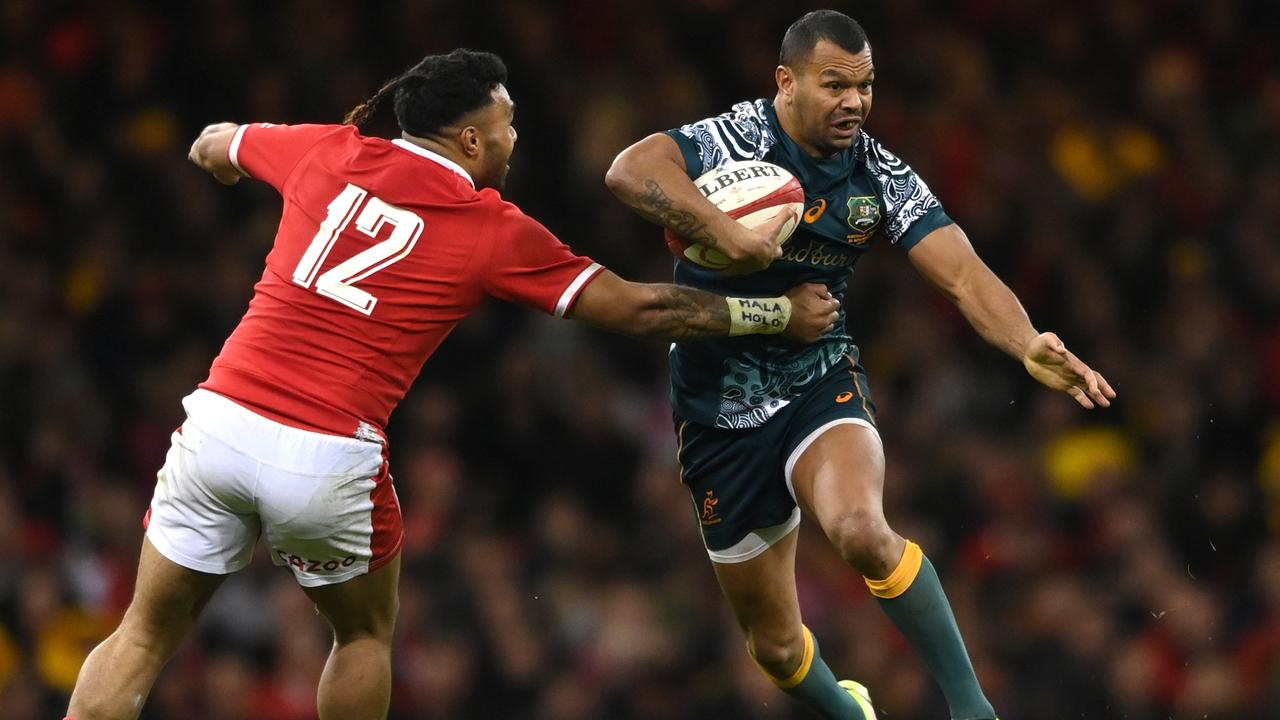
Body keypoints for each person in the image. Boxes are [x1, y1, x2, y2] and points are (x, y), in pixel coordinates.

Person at [64, 48, 840, 720]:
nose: (513, 134)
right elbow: (639, 308)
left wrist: (220, 154)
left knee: (139, 636)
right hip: (326, 454)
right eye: (505, 122)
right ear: (470, 138)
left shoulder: (324, 150)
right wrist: (774, 312)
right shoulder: (490, 227)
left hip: (221, 422)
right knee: (361, 634)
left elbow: (216, 142)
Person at [606, 10, 1116, 720]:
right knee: (776, 650)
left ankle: (971, 708)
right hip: (716, 410)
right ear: (786, 83)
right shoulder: (737, 137)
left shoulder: (878, 175)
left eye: (866, 86)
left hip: (818, 377)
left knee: (859, 529)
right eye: (834, 85)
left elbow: (962, 273)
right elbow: (629, 170)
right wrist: (728, 233)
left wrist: (1026, 341)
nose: (854, 102)